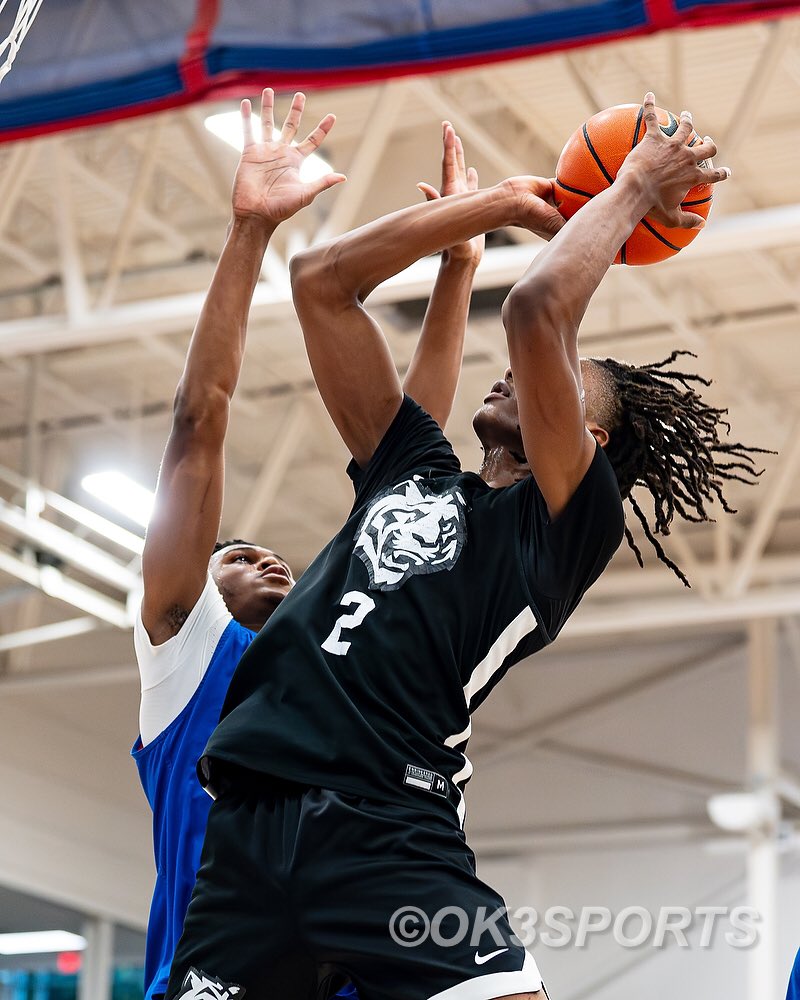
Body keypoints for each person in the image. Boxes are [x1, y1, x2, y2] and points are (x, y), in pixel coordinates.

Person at [166, 94, 764, 1000]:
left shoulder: (566, 527)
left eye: (559, 380)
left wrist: (635, 187)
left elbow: (537, 310)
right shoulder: (412, 465)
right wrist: (498, 208)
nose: (516, 372)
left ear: (588, 440)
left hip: (390, 826)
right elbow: (321, 282)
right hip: (247, 833)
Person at [132, 88, 492, 1000]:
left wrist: (457, 270)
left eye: (270, 555)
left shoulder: (338, 651)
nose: (265, 559)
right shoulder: (186, 659)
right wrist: (250, 230)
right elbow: (199, 421)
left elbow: (412, 458)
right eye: (235, 557)